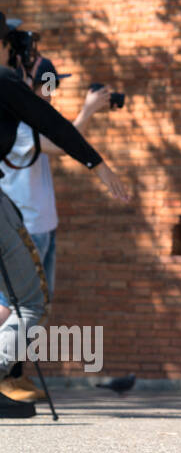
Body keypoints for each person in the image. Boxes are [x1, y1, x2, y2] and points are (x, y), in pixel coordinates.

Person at [0, 21, 130, 417]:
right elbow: (51, 126)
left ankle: (10, 379)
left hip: (25, 211)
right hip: (19, 213)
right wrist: (100, 165)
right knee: (27, 302)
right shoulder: (6, 84)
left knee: (23, 301)